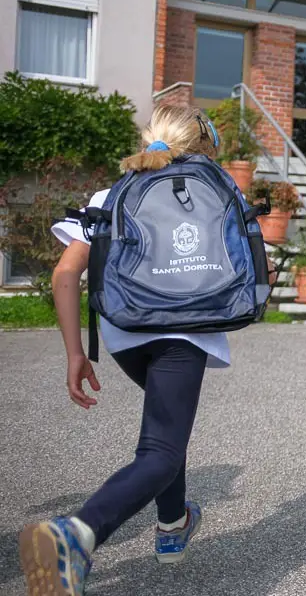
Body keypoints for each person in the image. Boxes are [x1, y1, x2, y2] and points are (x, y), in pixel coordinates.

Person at [19, 106, 234, 596]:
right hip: (186, 331)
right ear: (203, 149)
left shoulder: (111, 194)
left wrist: (75, 353)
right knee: (162, 448)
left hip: (125, 334)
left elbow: (65, 274)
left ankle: (173, 525)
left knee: (167, 429)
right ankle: (76, 534)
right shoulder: (215, 189)